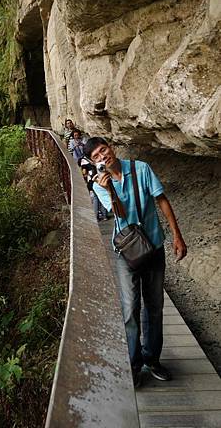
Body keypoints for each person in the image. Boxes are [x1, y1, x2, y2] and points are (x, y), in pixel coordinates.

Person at [84, 137, 187, 388]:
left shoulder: (140, 168)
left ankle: (152, 359)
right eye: (96, 157)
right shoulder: (99, 185)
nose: (102, 157)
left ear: (111, 147)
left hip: (154, 244)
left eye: (103, 150)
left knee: (155, 306)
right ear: (93, 162)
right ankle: (133, 363)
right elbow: (119, 215)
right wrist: (108, 189)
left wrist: (177, 235)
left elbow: (161, 199)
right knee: (130, 309)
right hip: (126, 253)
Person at [79, 156, 108, 221]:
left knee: (95, 198)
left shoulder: (83, 160)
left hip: (92, 181)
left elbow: (84, 172)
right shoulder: (98, 157)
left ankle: (96, 217)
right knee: (102, 196)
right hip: (102, 179)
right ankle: (105, 216)